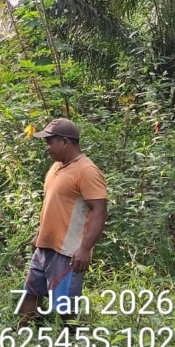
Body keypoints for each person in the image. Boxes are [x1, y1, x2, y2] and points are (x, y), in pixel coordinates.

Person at [19, 117, 108, 326]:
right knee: (31, 292)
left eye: (50, 142)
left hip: (68, 251)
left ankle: (74, 341)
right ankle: (21, 332)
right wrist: (40, 235)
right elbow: (54, 205)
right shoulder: (56, 167)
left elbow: (100, 211)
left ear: (65, 142)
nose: (47, 147)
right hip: (45, 247)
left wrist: (85, 249)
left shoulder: (87, 171)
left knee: (66, 307)